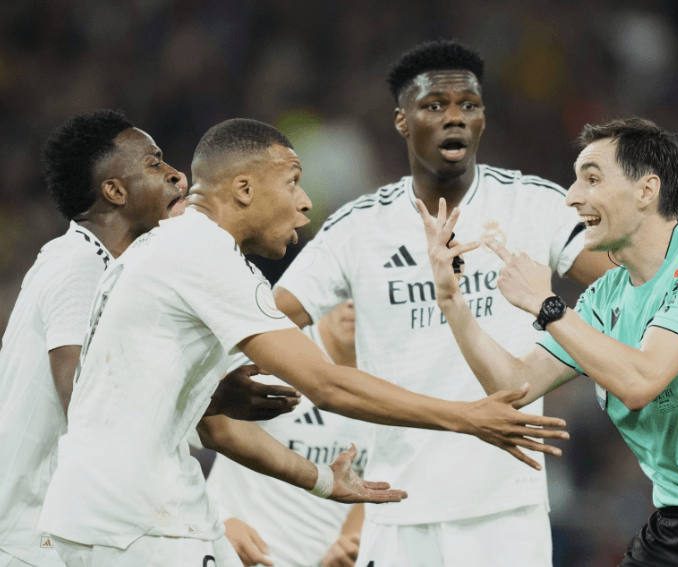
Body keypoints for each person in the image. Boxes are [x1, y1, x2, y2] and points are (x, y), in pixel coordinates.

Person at [37, 117, 568, 567]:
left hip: (114, 511)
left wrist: (323, 481)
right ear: (244, 189)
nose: (306, 203)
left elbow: (216, 427)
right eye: (292, 182)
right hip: (135, 521)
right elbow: (326, 385)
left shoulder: (174, 250)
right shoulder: (202, 254)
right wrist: (468, 417)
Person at [418, 117, 678, 565]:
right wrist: (451, 302)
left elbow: (640, 382)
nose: (572, 197)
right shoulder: (604, 296)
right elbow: (512, 385)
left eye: (591, 179)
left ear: (646, 190)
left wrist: (546, 304)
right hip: (676, 524)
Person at [273, 39, 613, 567]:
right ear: (402, 121)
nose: (454, 117)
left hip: (505, 510)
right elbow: (266, 322)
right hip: (395, 506)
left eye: (468, 105)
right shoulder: (358, 228)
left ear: (482, 118)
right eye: (434, 105)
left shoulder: (532, 204)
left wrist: (674, 264)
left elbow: (625, 287)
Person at [0, 110, 299, 567]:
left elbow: (172, 423)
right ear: (115, 191)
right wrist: (213, 397)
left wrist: (213, 519)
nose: (177, 175)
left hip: (97, 528)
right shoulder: (78, 263)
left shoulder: (129, 273)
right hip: (37, 536)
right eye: (155, 163)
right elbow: (86, 403)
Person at [207, 300, 370, 567]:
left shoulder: (388, 388)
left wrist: (353, 537)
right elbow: (165, 445)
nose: (352, 302)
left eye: (360, 290)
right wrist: (217, 518)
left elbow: (381, 473)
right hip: (238, 559)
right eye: (343, 290)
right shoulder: (262, 362)